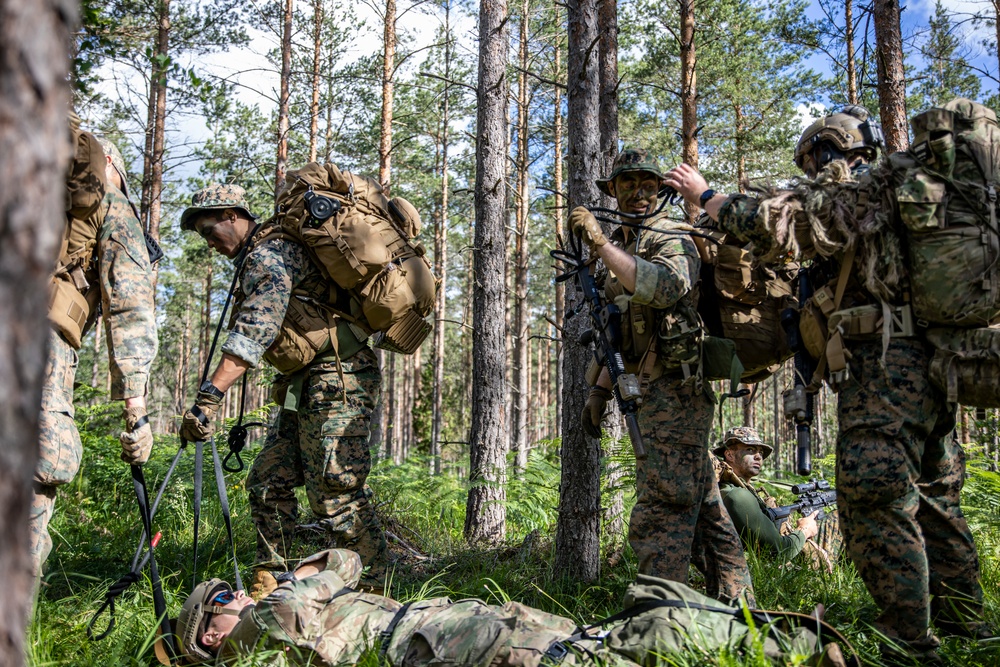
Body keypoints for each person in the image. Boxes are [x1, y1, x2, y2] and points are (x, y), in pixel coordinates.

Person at [664, 103, 989, 663]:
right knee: (935, 494)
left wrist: (707, 196)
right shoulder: (902, 196)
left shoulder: (862, 191)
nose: (813, 170)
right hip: (933, 366)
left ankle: (907, 645)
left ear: (835, 152)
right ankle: (969, 625)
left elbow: (775, 220)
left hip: (884, 370)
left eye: (816, 158)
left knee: (873, 496)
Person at [179, 184, 387, 598]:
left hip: (339, 377)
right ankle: (271, 582)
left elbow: (257, 327)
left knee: (335, 491)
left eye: (210, 230)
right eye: (202, 236)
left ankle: (377, 594)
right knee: (268, 480)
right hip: (307, 384)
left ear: (235, 216)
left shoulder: (269, 255)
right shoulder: (261, 255)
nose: (210, 243)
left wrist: (209, 398)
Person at [568, 149, 754, 607]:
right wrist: (599, 388)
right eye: (627, 184)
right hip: (650, 393)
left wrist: (601, 248)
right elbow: (617, 330)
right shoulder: (622, 241)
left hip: (676, 392)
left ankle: (662, 614)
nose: (637, 193)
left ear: (661, 190)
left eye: (648, 184)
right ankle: (738, 608)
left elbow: (666, 287)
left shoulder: (668, 234)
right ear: (612, 190)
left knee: (663, 505)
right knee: (704, 503)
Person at [168, 548, 852, 667]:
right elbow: (334, 566)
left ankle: (777, 638)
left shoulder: (283, 611)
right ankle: (785, 644)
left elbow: (344, 560)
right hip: (435, 640)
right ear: (209, 633)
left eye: (232, 591)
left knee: (604, 635)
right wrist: (288, 579)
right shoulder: (262, 627)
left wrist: (299, 576)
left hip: (444, 626)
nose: (240, 595)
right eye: (223, 598)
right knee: (603, 649)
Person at [31, 134, 158, 576]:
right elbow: (131, 306)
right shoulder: (110, 201)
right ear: (108, 164)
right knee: (36, 463)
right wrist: (136, 410)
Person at [712, 427, 820, 563]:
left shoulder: (736, 491)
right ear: (729, 455)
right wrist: (805, 529)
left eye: (761, 452)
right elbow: (779, 553)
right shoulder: (737, 495)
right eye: (750, 450)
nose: (758, 457)